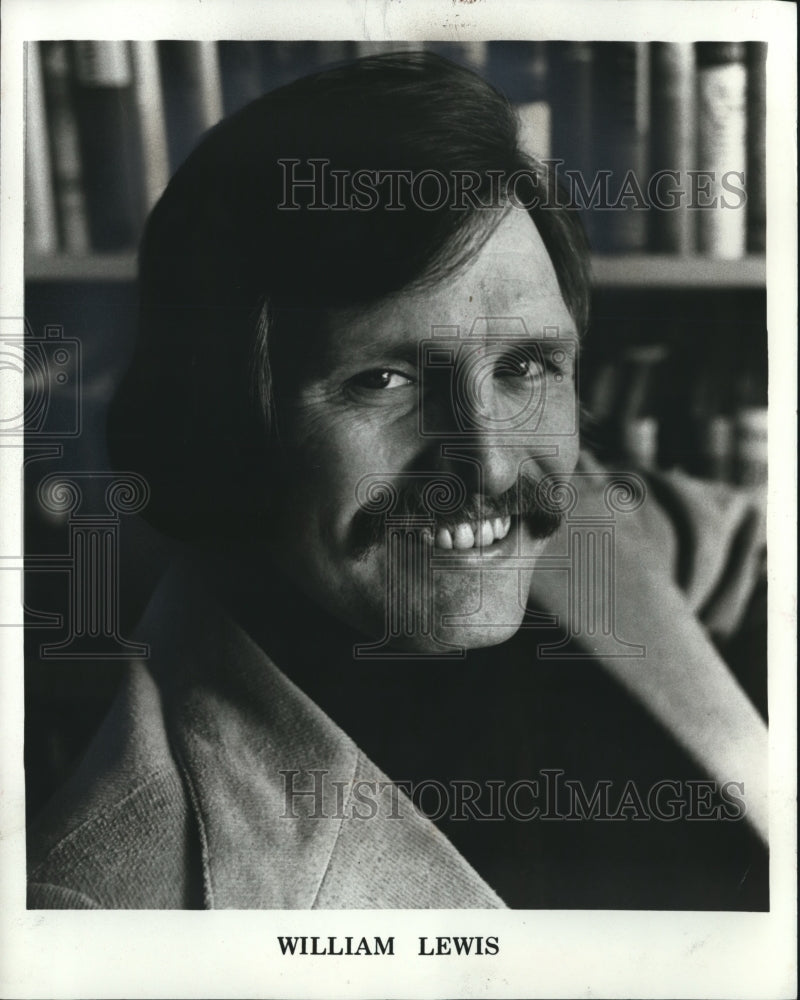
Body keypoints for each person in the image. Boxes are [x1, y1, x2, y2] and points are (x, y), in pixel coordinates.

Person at [27, 51, 768, 910]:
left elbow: (742, 548)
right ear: (221, 426)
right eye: (383, 380)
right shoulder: (116, 905)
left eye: (525, 364)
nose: (487, 466)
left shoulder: (592, 526)